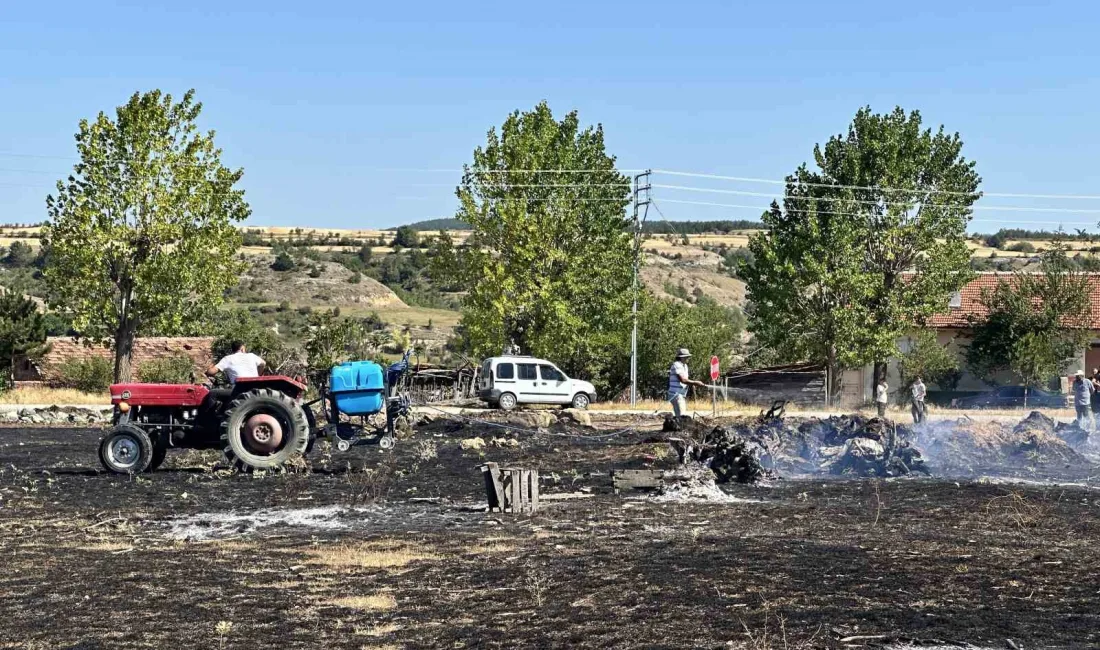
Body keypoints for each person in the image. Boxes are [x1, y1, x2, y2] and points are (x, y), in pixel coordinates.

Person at [668, 348, 706, 424]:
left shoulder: (685, 366)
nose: (687, 358)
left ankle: (678, 430)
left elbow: (686, 380)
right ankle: (679, 432)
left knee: (680, 416)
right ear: (681, 357)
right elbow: (683, 380)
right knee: (682, 416)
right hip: (676, 394)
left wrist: (692, 384)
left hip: (680, 394)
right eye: (686, 356)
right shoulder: (677, 365)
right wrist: (695, 382)